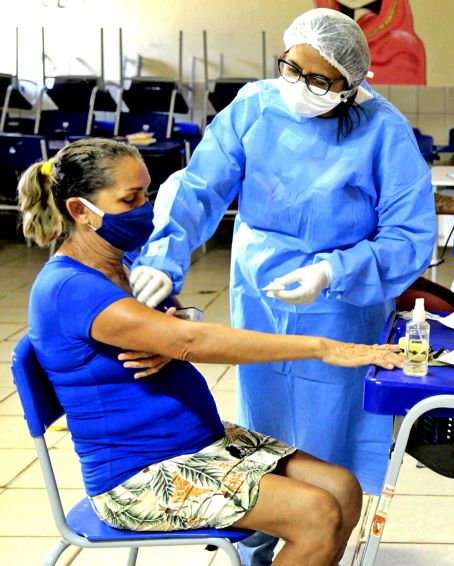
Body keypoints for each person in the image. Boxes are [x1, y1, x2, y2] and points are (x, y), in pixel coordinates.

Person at [127, 10, 435, 563]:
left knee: (329, 434)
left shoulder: (382, 129)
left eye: (319, 81)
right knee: (265, 427)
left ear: (351, 84)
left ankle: (317, 540)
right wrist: (163, 259)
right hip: (259, 289)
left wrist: (332, 271)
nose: (299, 86)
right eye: (291, 68)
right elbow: (199, 189)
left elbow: (410, 234)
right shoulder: (254, 106)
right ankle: (260, 542)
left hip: (342, 302)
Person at [18, 139, 405, 566]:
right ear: (80, 211)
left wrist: (171, 331)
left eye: (147, 192)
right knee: (316, 513)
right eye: (130, 199)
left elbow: (172, 330)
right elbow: (194, 342)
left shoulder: (116, 264)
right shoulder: (70, 287)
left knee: (342, 488)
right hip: (137, 476)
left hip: (196, 443)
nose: (145, 207)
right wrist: (322, 347)